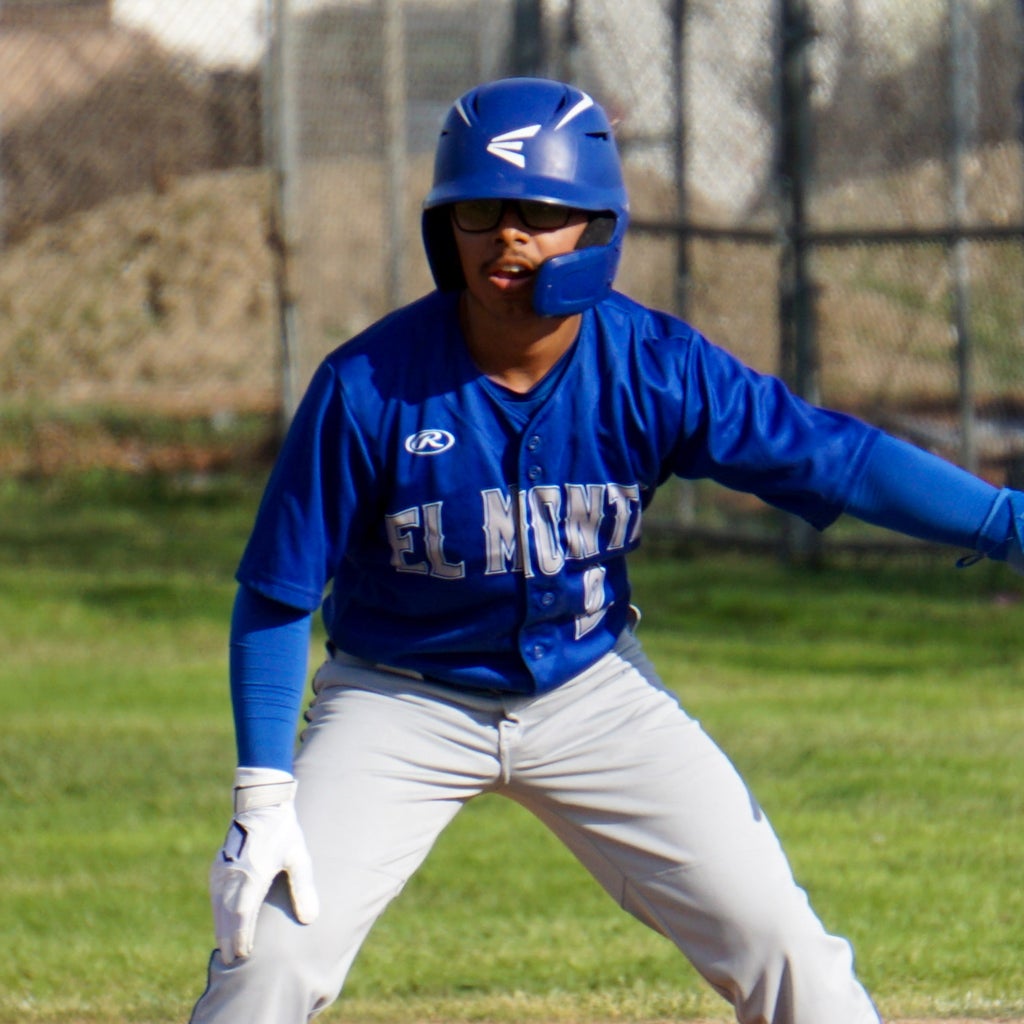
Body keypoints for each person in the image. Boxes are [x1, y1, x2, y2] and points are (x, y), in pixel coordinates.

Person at [188, 77, 1024, 1024]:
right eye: (480, 212)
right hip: (398, 701)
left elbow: (837, 460)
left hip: (593, 693)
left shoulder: (655, 367)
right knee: (267, 961)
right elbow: (277, 593)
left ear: (596, 227)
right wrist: (263, 794)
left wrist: (1004, 523)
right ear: (443, 230)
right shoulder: (368, 386)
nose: (510, 237)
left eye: (542, 213)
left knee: (792, 957)